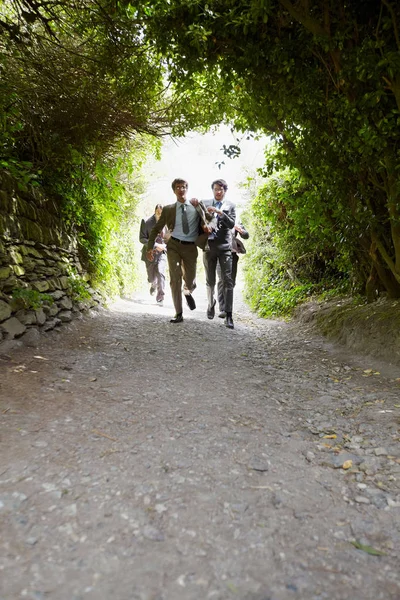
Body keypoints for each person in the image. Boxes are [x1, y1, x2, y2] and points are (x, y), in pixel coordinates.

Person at [147, 178, 209, 323]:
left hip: (191, 247)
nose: (181, 189)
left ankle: (187, 291)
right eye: (178, 187)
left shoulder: (196, 205)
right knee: (175, 278)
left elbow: (210, 219)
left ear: (187, 189)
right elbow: (156, 229)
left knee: (190, 278)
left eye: (184, 187)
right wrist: (150, 247)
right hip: (173, 245)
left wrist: (208, 226)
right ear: (174, 191)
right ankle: (178, 313)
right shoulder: (168, 209)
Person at [202, 179, 236, 329]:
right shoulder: (205, 203)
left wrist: (220, 213)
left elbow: (231, 224)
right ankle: (211, 303)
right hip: (209, 246)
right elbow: (198, 219)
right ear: (213, 190)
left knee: (228, 280)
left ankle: (228, 315)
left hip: (224, 247)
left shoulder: (230, 206)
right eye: (216, 189)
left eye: (221, 190)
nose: (218, 192)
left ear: (225, 191)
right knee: (210, 279)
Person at [217, 222, 249, 318]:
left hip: (232, 255)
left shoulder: (237, 222)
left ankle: (227, 307)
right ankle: (223, 309)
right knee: (222, 280)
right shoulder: (217, 220)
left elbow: (246, 235)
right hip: (220, 253)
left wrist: (240, 230)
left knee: (231, 282)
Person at [139, 204, 166, 305]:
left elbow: (169, 238)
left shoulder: (167, 222)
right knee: (151, 277)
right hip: (149, 252)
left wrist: (164, 247)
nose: (160, 215)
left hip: (162, 253)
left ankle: (160, 296)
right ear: (155, 211)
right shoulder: (146, 221)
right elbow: (142, 238)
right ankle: (153, 284)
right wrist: (155, 246)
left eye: (162, 213)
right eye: (158, 213)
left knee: (160, 272)